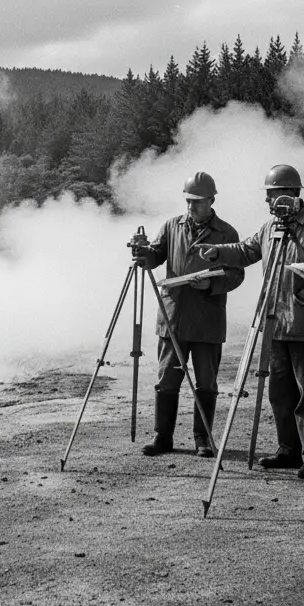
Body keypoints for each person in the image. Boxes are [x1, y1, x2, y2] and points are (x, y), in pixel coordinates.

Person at [197, 164, 304, 479]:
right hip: (275, 326)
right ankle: (288, 450)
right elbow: (245, 251)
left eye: (273, 195)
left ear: (292, 194)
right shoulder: (269, 229)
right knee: (279, 393)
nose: (269, 203)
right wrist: (217, 253)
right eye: (267, 197)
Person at [132, 172, 244, 458]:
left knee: (206, 383)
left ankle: (203, 438)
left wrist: (212, 284)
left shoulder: (227, 234)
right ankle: (163, 437)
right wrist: (144, 253)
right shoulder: (172, 225)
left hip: (207, 319)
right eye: (188, 201)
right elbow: (157, 254)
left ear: (211, 200)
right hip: (174, 317)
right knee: (167, 380)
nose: (191, 207)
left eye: (196, 201)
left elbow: (236, 274)